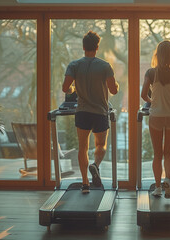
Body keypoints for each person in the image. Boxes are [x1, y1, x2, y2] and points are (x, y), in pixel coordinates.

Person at [62, 30, 119, 194]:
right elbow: (114, 90)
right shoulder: (105, 66)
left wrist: (75, 88)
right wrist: (117, 86)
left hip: (82, 112)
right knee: (101, 145)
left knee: (82, 148)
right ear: (97, 47)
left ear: (83, 47)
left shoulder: (74, 65)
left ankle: (85, 183)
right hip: (100, 112)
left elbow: (66, 88)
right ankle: (95, 165)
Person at [140, 40, 170, 199]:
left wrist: (152, 101)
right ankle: (168, 180)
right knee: (168, 153)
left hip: (156, 116)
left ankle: (158, 188)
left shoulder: (151, 73)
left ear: (158, 55)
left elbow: (143, 95)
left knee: (157, 154)